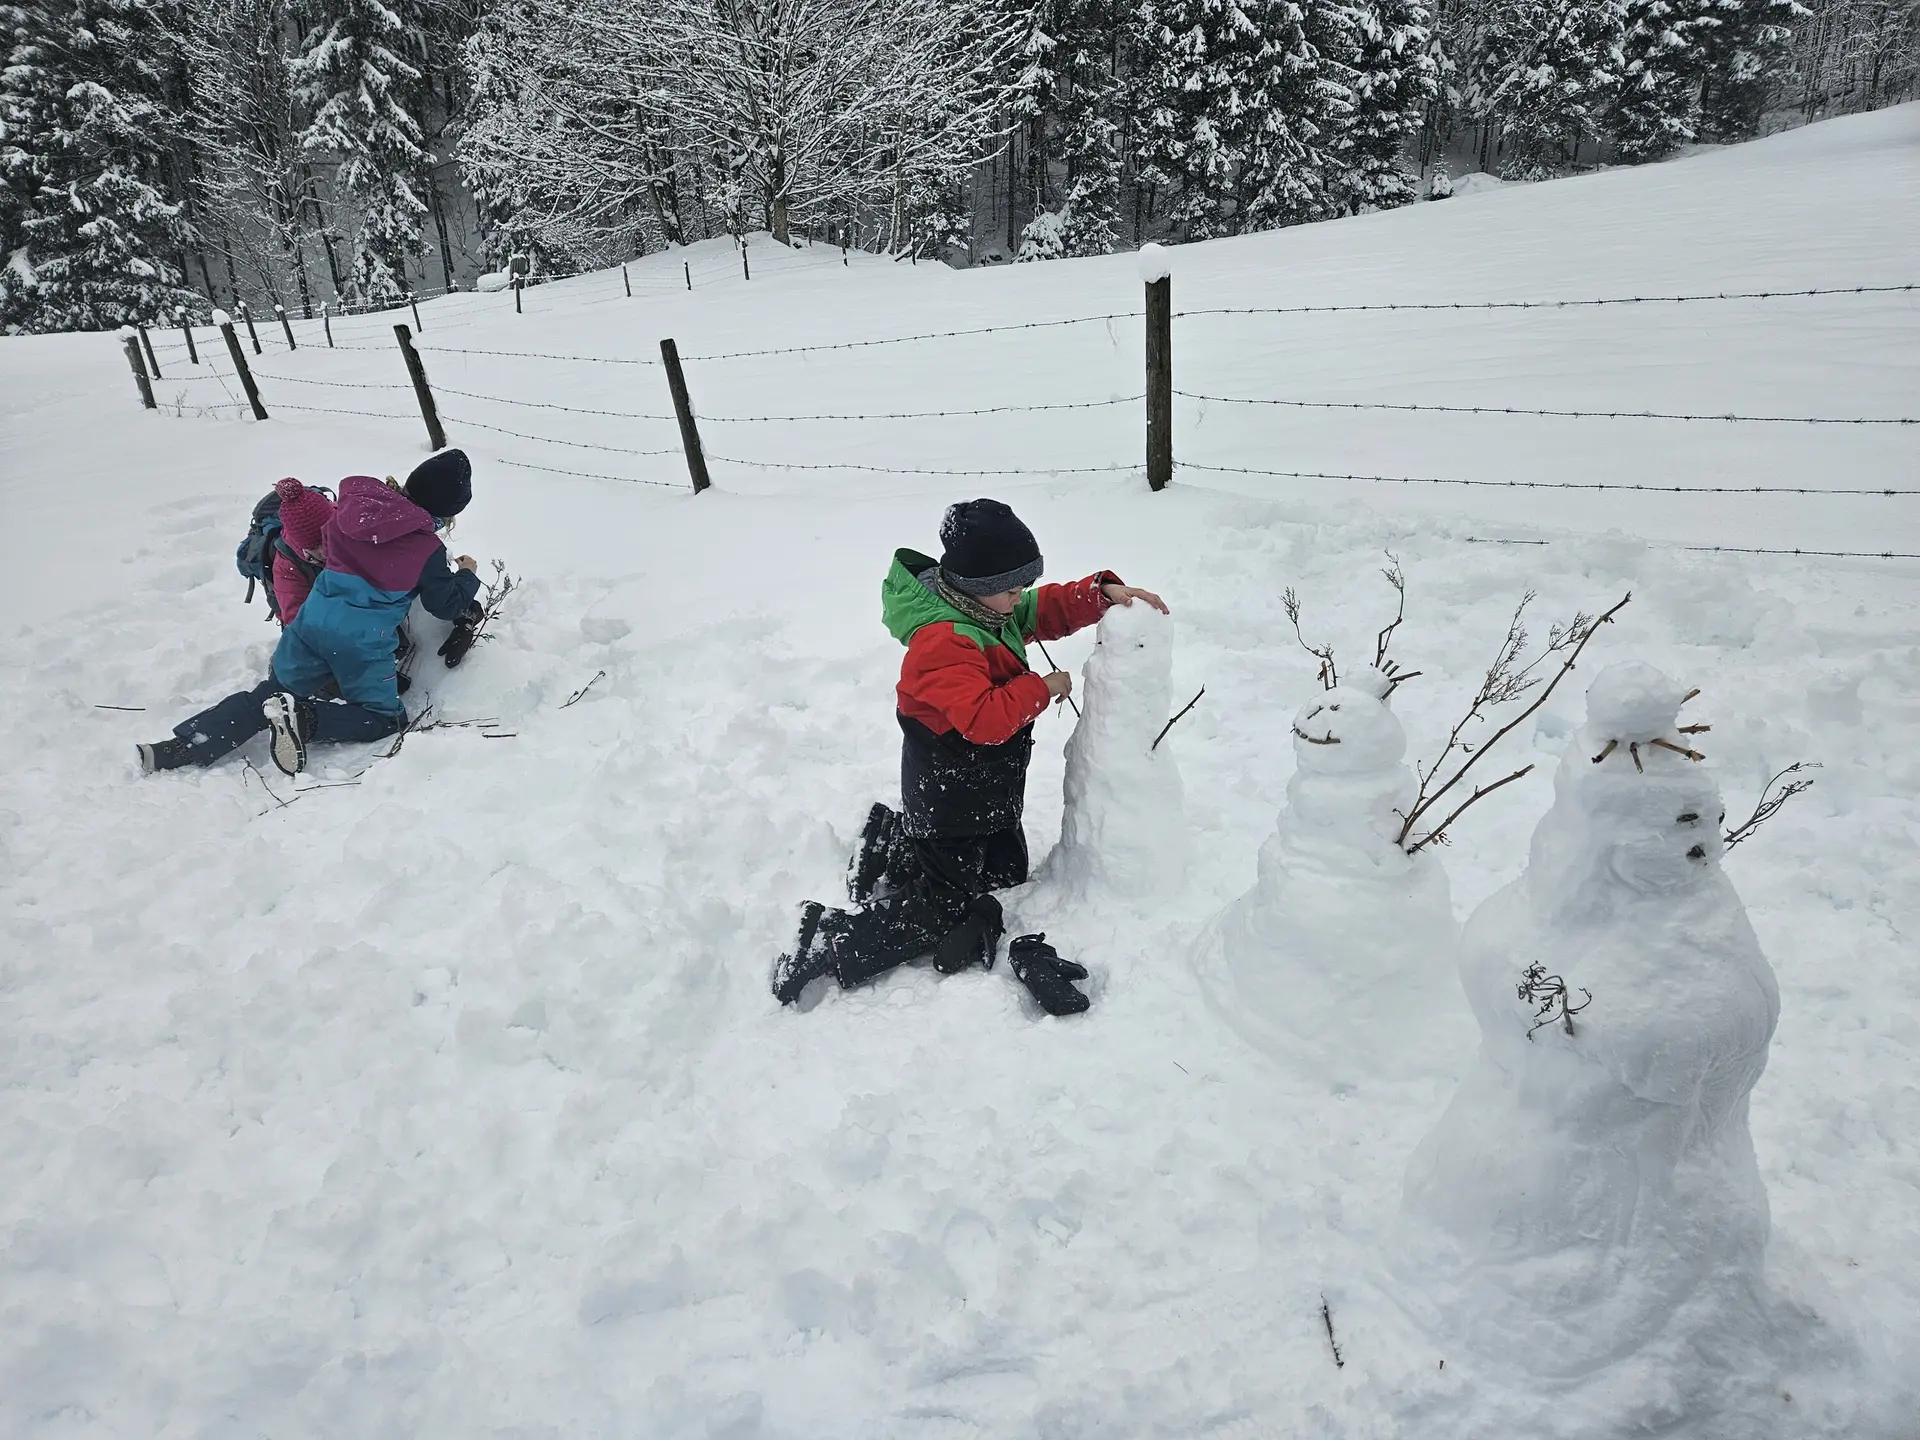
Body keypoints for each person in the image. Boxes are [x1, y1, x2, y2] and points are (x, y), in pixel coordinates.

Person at [771, 498, 1167, 1013]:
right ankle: (826, 938)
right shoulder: (943, 642)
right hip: (949, 799)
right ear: (978, 588)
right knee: (942, 911)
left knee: (1006, 875)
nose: (1018, 598)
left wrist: (1099, 592)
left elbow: (1038, 609)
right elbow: (983, 721)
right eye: (1010, 589)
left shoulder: (984, 609)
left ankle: (890, 841)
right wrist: (1041, 688)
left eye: (1019, 586)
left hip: (986, 790)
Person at [137, 449, 482, 776]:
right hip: (359, 644)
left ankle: (180, 747)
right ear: (448, 510)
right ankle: (304, 719)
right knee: (385, 720)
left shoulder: (351, 513)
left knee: (268, 694)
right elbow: (446, 603)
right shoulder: (426, 548)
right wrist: (467, 574)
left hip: (309, 624)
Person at [270, 476, 336, 626]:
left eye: (327, 540)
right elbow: (297, 624)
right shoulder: (287, 565)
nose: (323, 551)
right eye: (313, 547)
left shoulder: (354, 526)